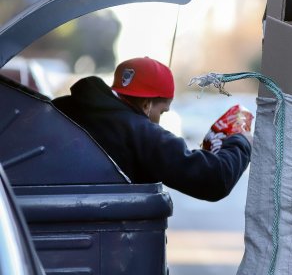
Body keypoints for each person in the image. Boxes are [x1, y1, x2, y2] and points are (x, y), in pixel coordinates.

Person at [52, 56, 252, 201]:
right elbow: (216, 180)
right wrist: (240, 140)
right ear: (147, 105)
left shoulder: (64, 108)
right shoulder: (140, 133)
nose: (158, 122)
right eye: (162, 111)